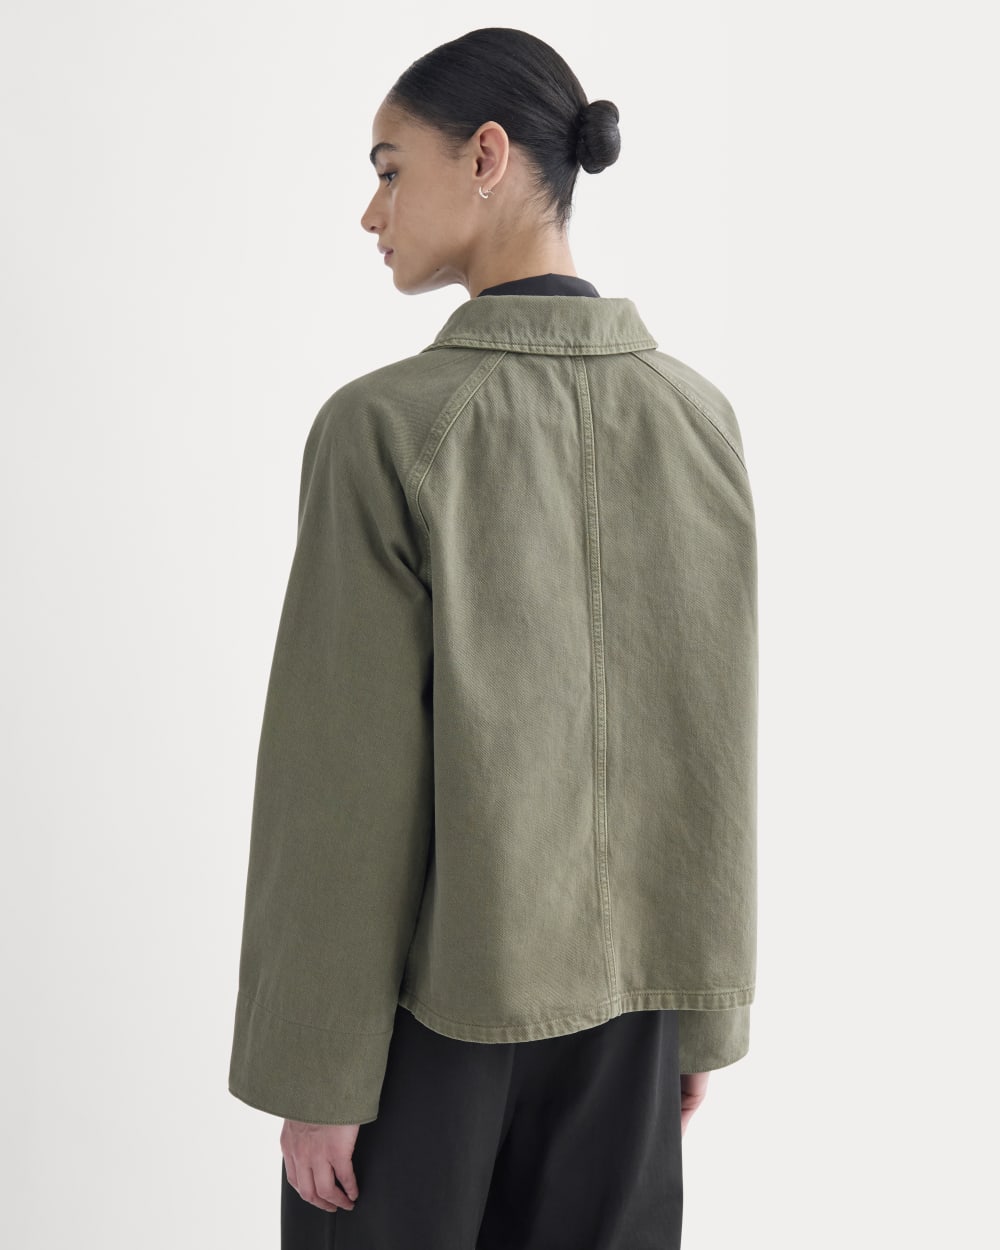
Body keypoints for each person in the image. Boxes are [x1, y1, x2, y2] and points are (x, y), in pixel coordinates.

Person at [228, 26, 758, 1250]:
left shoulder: (385, 428)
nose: (371, 212)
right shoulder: (697, 417)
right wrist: (700, 1010)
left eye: (388, 169)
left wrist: (317, 1069)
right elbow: (710, 739)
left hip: (425, 1028)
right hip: (633, 1017)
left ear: (484, 156)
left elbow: (341, 780)